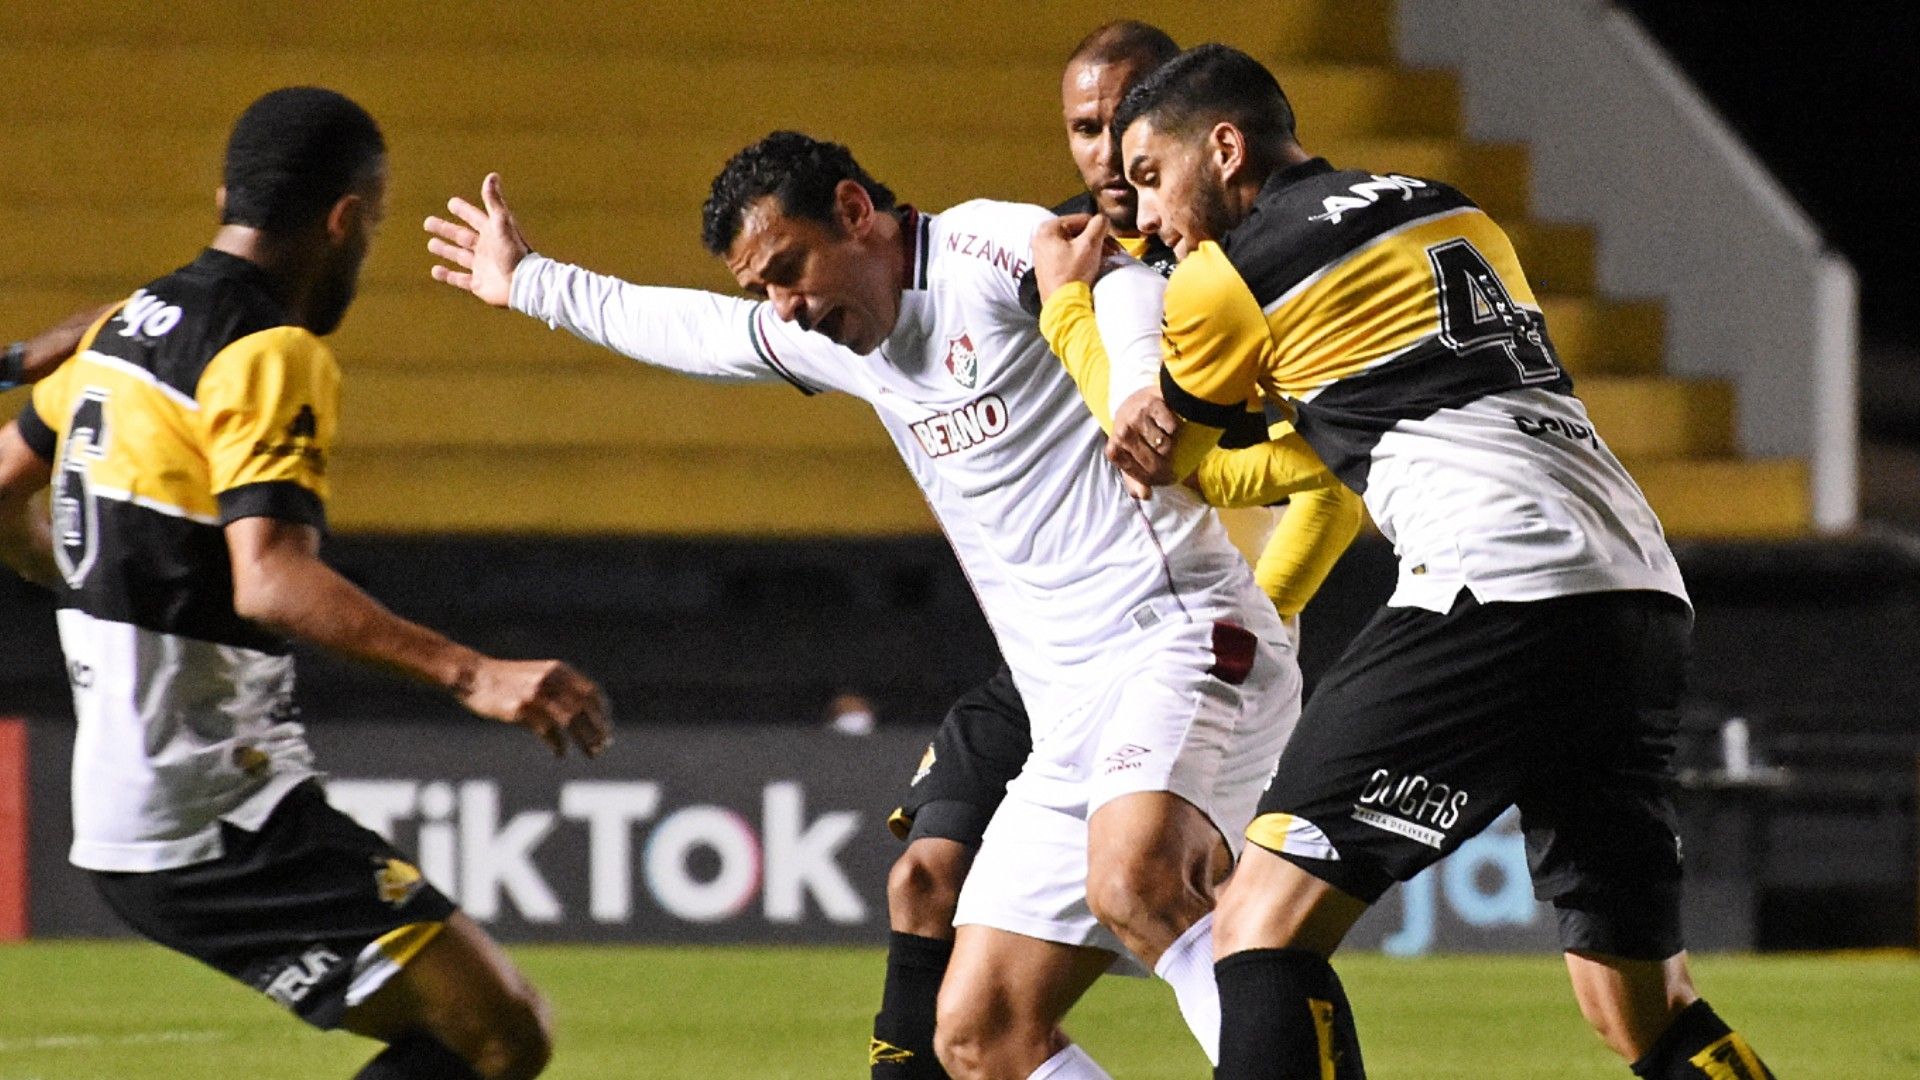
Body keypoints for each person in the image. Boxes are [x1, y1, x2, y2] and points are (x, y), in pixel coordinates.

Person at [426, 126, 1294, 1079]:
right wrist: (532, 283)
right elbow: (696, 332)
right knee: (977, 1034)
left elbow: (1115, 279)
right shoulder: (844, 339)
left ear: (852, 212)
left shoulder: (978, 250)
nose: (785, 308)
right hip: (1065, 712)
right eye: (764, 287)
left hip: (1176, 640)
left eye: (790, 268)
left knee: (1137, 879)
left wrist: (1135, 389)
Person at [1066, 42, 1776, 1079]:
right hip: (1635, 588)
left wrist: (1071, 314)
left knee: (1258, 924)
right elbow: (1400, 389)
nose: (1148, 216)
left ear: (1223, 148)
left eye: (1151, 179)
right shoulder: (1449, 209)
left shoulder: (1229, 274)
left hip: (1498, 583)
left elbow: (1170, 458)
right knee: (1640, 1004)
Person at [0, 87, 611, 1080]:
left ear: (225, 197)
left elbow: (3, 488)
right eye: (369, 225)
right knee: (500, 1037)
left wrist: (74, 572)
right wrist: (471, 673)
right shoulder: (270, 351)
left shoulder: (119, 330)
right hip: (211, 808)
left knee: (488, 1031)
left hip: (136, 798)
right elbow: (272, 582)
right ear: (344, 218)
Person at [872, 21, 1362, 1080]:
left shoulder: (1231, 277)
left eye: (1132, 130)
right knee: (967, 996)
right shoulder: (1047, 261)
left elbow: (1320, 478)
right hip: (1057, 655)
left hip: (1192, 633)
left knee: (1157, 888)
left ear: (1192, 130)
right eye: (1087, 130)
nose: (1105, 153)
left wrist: (1264, 599)